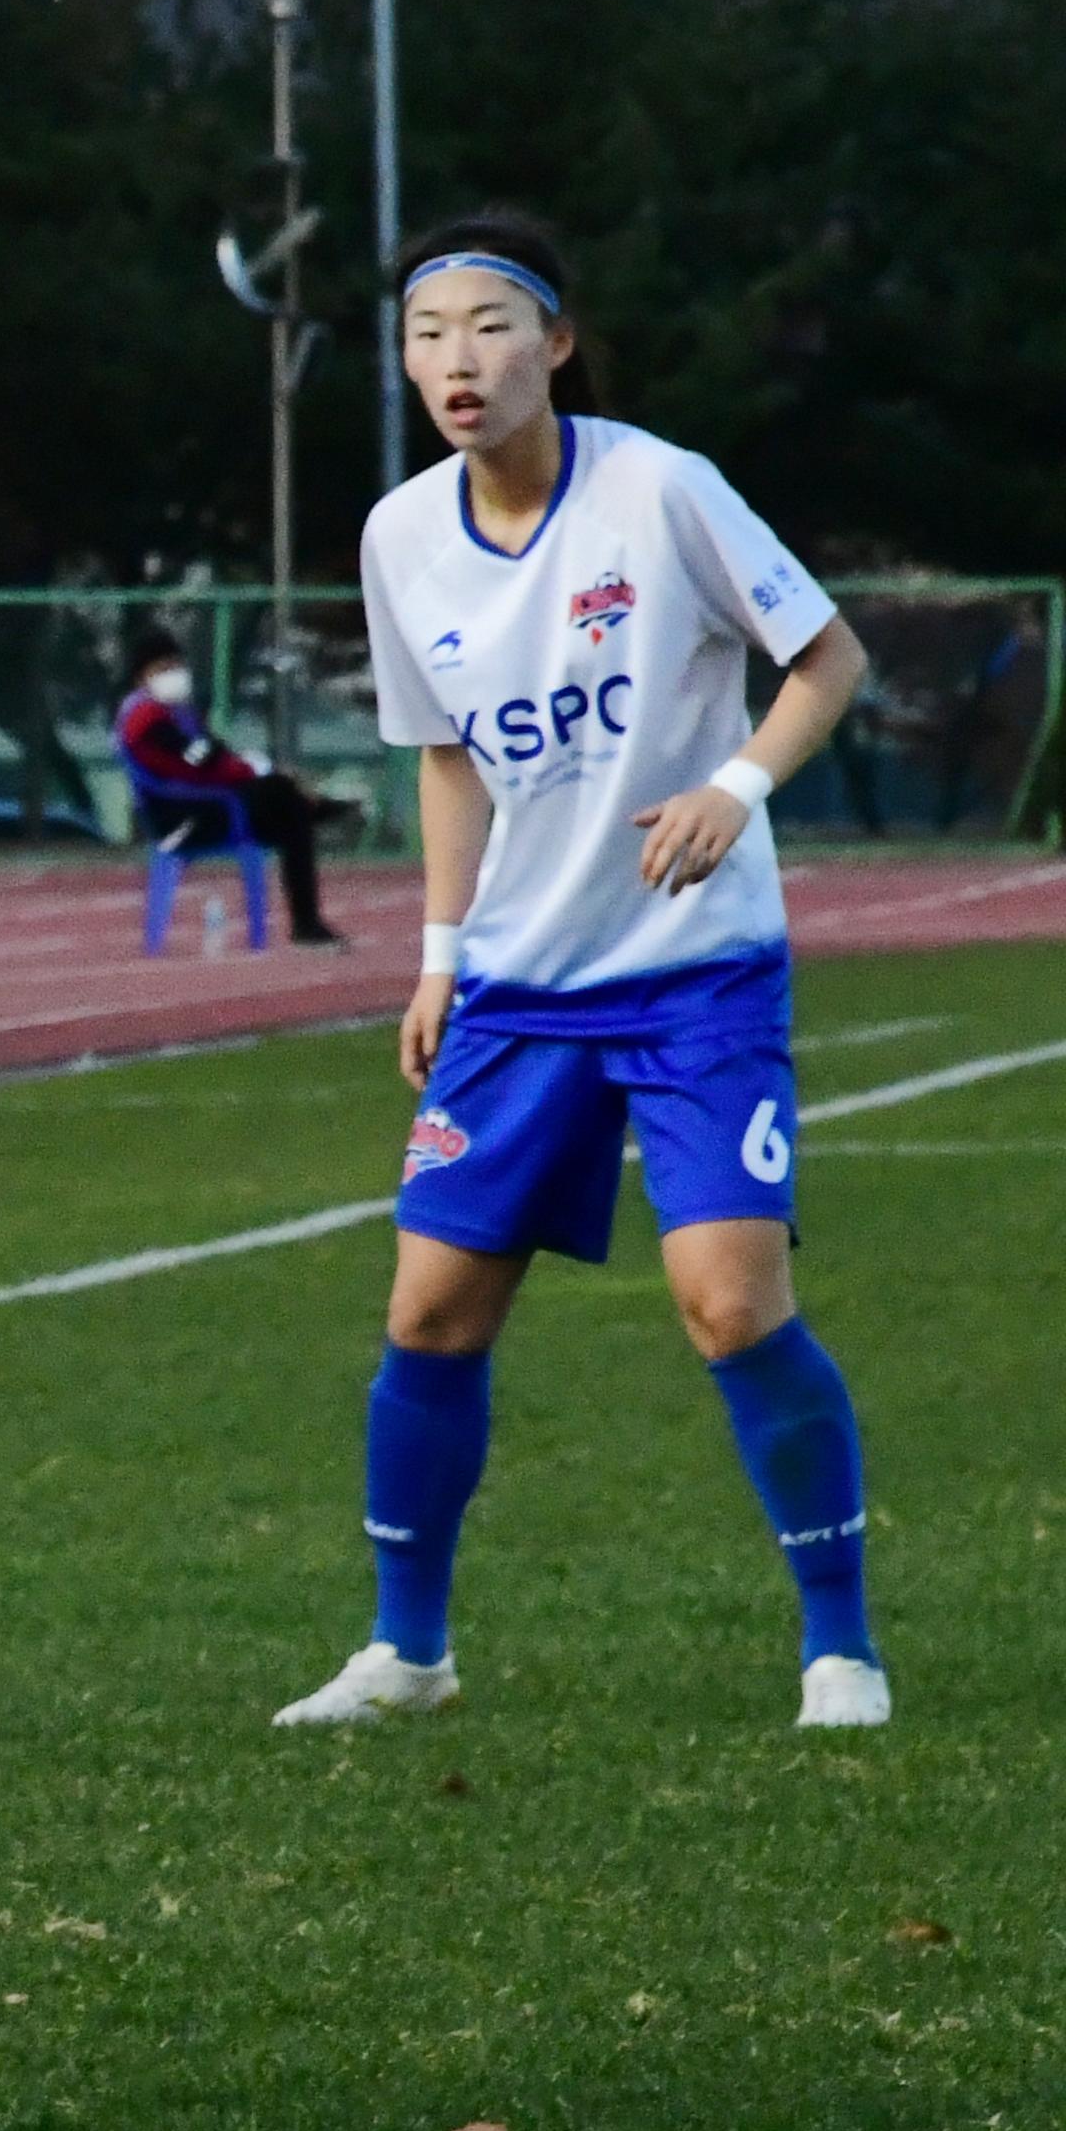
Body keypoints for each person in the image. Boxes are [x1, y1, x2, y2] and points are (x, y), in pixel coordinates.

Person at [280, 211, 892, 1734]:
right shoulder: (401, 535)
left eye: (491, 325)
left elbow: (828, 658)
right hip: (518, 989)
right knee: (428, 1314)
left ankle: (841, 1649)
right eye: (428, 334)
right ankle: (407, 1654)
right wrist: (436, 958)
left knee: (730, 1307)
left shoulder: (659, 489)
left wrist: (732, 790)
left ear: (555, 340)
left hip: (696, 975)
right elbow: (446, 763)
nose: (456, 360)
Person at [112, 646, 347, 943]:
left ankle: (307, 918)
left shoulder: (177, 712)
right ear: (140, 677)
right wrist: (248, 770)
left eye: (176, 666)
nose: (173, 675)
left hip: (207, 804)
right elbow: (199, 760)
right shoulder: (145, 717)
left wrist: (248, 768)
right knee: (286, 801)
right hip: (181, 818)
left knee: (289, 810)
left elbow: (215, 754)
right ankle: (306, 918)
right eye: (162, 669)